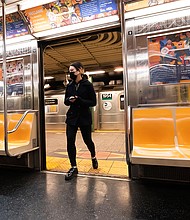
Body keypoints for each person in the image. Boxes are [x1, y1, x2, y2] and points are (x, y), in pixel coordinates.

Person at [64, 61, 98, 180]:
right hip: (72, 117)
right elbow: (65, 101)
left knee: (87, 140)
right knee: (70, 140)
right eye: (70, 71)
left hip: (84, 117)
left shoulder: (87, 85)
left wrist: (79, 100)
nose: (70, 73)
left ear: (80, 71)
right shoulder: (69, 85)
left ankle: (93, 156)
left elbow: (93, 102)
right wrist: (70, 99)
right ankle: (73, 167)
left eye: (72, 71)